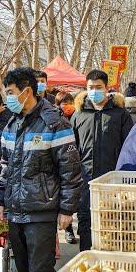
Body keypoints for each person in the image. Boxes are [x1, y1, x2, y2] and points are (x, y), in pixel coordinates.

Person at [0, 67, 81, 272]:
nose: (7, 98)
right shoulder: (11, 124)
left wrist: (67, 208)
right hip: (15, 212)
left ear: (26, 91)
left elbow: (71, 169)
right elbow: (5, 167)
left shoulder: (55, 123)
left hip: (42, 213)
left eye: (9, 93)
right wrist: (0, 199)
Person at [71, 70, 133, 251]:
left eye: (98, 87)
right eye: (91, 87)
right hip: (85, 180)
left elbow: (129, 147)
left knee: (112, 222)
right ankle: (85, 260)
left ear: (107, 88)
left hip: (111, 181)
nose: (94, 91)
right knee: (85, 221)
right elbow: (71, 150)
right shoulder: (78, 115)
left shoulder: (120, 115)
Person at [54, 91, 77, 244]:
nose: (67, 105)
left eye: (70, 102)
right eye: (64, 102)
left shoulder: (77, 116)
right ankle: (69, 231)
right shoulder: (56, 120)